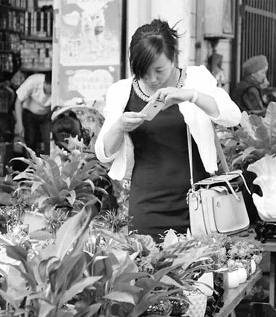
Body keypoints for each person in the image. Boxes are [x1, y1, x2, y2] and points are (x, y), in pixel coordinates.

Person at [94, 19, 241, 242]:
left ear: (173, 58)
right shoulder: (121, 92)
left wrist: (191, 96)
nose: (152, 79)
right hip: (147, 206)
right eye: (143, 72)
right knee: (147, 272)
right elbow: (103, 153)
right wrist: (119, 127)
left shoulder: (197, 79)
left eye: (159, 70)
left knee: (199, 273)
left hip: (197, 203)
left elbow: (232, 116)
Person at [14, 71, 52, 155]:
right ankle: (30, 166)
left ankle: (49, 166)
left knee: (49, 141)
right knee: (30, 141)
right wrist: (19, 124)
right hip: (30, 114)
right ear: (45, 83)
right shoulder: (33, 81)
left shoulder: (58, 88)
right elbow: (18, 102)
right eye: (49, 89)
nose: (50, 92)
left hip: (47, 116)